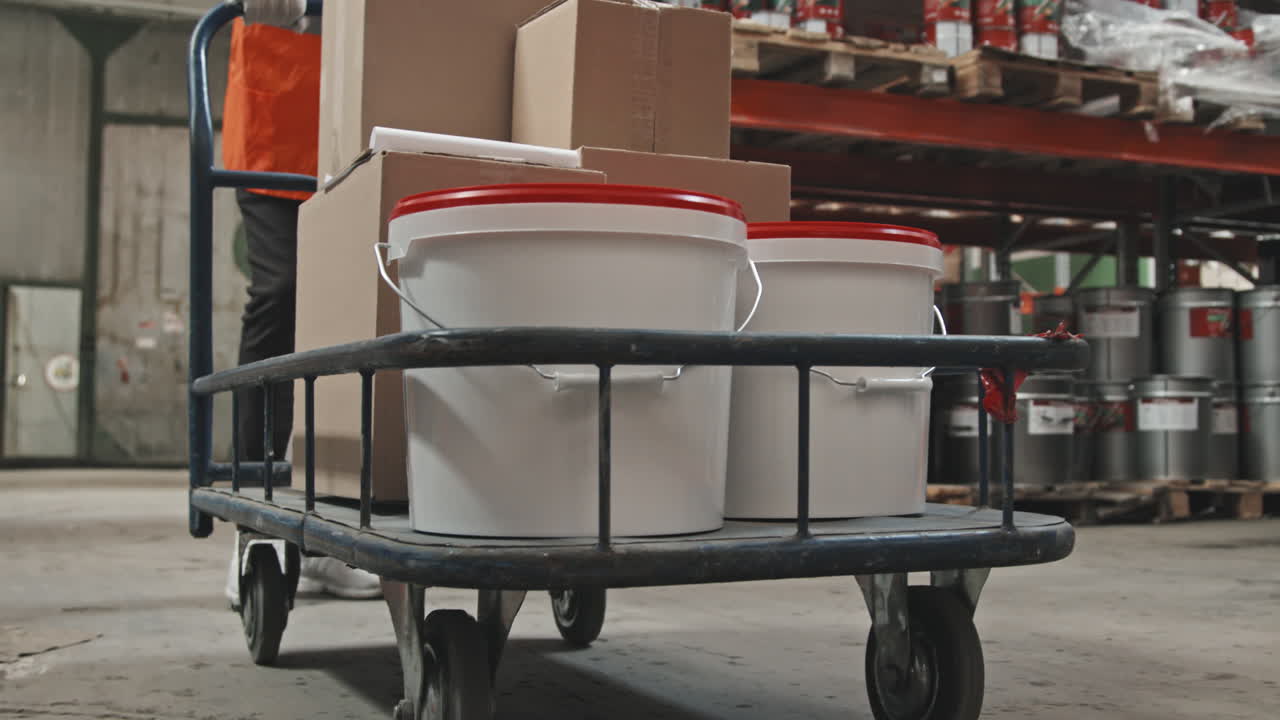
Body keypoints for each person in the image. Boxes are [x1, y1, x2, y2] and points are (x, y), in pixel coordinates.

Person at [222, 0, 381, 603]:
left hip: (352, 126)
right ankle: (253, 524)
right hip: (275, 115)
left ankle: (324, 538)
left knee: (343, 312)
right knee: (280, 292)